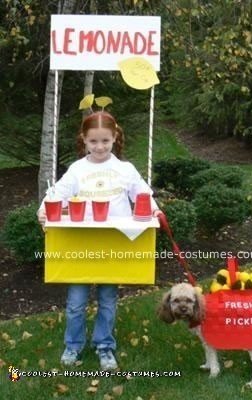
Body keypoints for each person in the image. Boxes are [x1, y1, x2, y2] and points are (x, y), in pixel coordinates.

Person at [37, 111, 161, 370]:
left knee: (107, 301)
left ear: (115, 137)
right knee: (75, 303)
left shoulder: (124, 169)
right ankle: (73, 346)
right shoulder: (77, 169)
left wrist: (154, 209)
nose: (100, 147)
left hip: (114, 245)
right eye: (93, 142)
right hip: (81, 245)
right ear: (84, 140)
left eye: (105, 140)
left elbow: (142, 194)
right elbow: (57, 194)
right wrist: (43, 209)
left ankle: (105, 346)